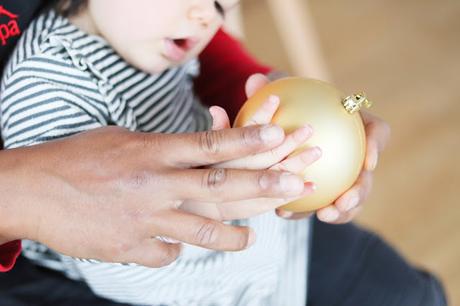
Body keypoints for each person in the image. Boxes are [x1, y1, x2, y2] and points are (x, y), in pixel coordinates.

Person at [0, 1, 447, 306]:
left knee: (413, 293)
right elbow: (114, 260)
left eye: (220, 4)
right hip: (200, 287)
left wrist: (271, 113)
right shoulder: (46, 90)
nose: (202, 18)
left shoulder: (141, 36)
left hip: (267, 243)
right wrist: (203, 203)